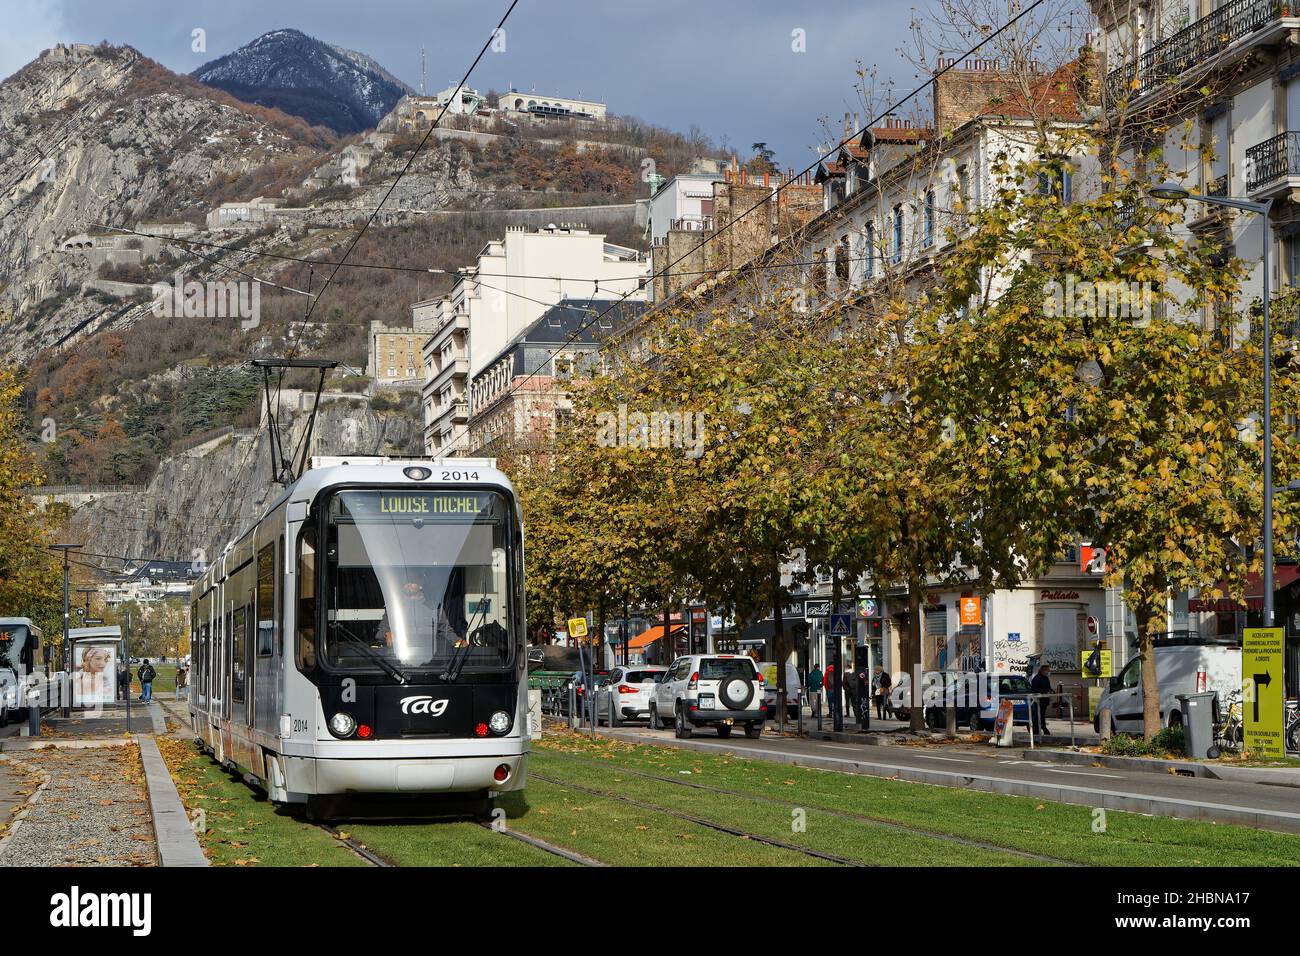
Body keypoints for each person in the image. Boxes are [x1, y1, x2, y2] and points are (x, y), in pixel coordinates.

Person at [1031, 664, 1053, 736]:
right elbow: (1034, 689)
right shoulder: (1037, 678)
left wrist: (1051, 691)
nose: (1049, 672)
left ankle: (1043, 727)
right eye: (1047, 670)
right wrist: (1043, 692)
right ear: (1043, 671)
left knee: (1042, 715)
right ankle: (1036, 731)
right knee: (1037, 716)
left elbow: (1048, 687)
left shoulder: (1046, 678)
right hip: (1038, 701)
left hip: (1044, 701)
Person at [856, 663, 873, 730]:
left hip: (863, 693)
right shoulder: (862, 673)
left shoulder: (863, 672)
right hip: (862, 693)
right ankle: (863, 723)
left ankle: (864, 724)